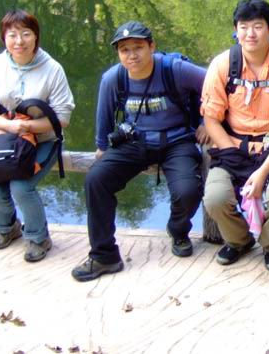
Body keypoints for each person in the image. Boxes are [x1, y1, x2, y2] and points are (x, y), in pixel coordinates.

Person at [71, 21, 207, 282]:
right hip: (136, 141)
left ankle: (178, 230)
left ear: (152, 46)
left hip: (177, 140)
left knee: (188, 191)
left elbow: (214, 84)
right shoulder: (114, 78)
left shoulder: (175, 69)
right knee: (96, 180)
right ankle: (104, 256)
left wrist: (206, 121)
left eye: (138, 47)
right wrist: (101, 147)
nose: (132, 55)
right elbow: (104, 114)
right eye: (124, 50)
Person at [201, 0, 269, 272]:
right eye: (243, 27)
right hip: (232, 147)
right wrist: (232, 154)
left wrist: (262, 172)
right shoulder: (223, 65)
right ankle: (238, 240)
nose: (250, 34)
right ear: (235, 29)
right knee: (215, 198)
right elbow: (211, 118)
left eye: (258, 26)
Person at [0, 9, 75, 262]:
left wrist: (26, 127)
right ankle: (7, 227)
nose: (19, 41)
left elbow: (62, 117)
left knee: (21, 186)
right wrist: (6, 125)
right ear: (3, 38)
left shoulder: (52, 69)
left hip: (43, 139)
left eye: (26, 34)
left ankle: (38, 237)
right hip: (6, 137)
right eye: (12, 35)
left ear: (36, 37)